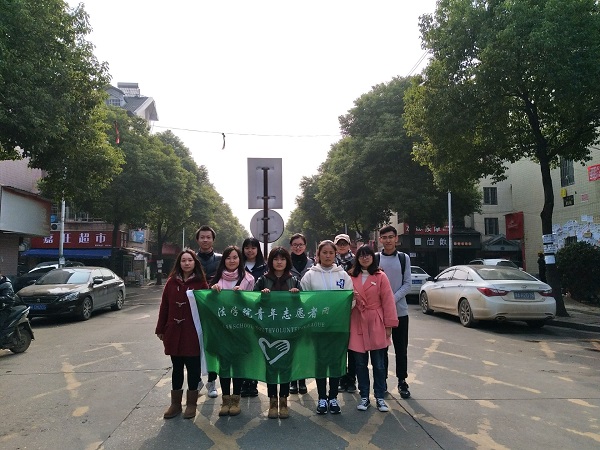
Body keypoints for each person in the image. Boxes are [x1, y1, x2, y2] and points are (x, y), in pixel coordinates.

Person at [300, 240, 353, 415]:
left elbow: (350, 300)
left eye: (331, 253)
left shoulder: (343, 275)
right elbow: (303, 300)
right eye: (324, 252)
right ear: (318, 255)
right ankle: (322, 397)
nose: (328, 256)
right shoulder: (309, 276)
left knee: (336, 361)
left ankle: (333, 397)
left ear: (335, 254)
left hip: (337, 326)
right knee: (320, 361)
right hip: (317, 327)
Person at [155, 249, 209, 420]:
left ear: (195, 263)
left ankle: (191, 403)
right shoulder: (171, 282)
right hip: (174, 331)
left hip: (192, 332)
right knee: (177, 367)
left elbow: (207, 308)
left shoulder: (201, 283)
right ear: (179, 263)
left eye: (190, 260)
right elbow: (164, 306)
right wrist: (161, 328)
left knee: (193, 368)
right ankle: (175, 404)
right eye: (183, 260)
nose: (186, 263)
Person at [349, 245, 398, 412]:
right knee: (360, 363)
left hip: (376, 321)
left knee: (379, 364)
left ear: (373, 257)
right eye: (361, 255)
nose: (365, 258)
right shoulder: (351, 276)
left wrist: (389, 325)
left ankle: (380, 397)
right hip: (357, 320)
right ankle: (364, 396)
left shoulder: (380, 276)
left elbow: (388, 301)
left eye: (368, 255)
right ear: (357, 258)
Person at [253, 246, 301, 419]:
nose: (279, 262)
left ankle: (284, 400)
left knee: (286, 365)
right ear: (270, 261)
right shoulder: (262, 280)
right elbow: (252, 303)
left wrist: (297, 296)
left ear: (287, 261)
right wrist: (262, 296)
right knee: (271, 365)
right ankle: (273, 401)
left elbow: (302, 307)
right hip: (268, 331)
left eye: (282, 259)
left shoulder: (294, 280)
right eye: (275, 259)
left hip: (289, 330)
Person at [210, 245, 255, 416]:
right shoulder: (216, 279)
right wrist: (212, 292)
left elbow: (254, 304)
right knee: (224, 365)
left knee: (237, 365)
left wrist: (243, 296)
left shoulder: (249, 279)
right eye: (228, 258)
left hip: (240, 330)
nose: (231, 260)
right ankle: (225, 400)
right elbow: (209, 304)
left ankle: (236, 400)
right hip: (221, 330)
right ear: (224, 260)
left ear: (240, 259)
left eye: (235, 257)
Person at [377, 225, 412, 399]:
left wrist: (391, 299)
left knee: (401, 349)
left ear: (396, 238)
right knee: (381, 349)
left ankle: (402, 381)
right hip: (380, 313)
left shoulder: (404, 258)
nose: (388, 240)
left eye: (391, 237)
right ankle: (382, 382)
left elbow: (407, 284)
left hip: (400, 312)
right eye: (384, 237)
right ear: (380, 240)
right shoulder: (375, 259)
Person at [240, 237, 267, 398]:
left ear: (258, 250)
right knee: (244, 348)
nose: (250, 251)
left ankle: (253, 382)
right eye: (247, 248)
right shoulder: (238, 266)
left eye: (253, 248)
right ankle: (244, 382)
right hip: (241, 313)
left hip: (259, 313)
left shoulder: (264, 268)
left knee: (256, 348)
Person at [288, 232, 314, 395]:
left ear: (305, 246)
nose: (298, 247)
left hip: (306, 310)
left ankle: (302, 379)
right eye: (295, 245)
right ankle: (293, 380)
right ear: (291, 246)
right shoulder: (285, 262)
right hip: (289, 311)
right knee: (291, 346)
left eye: (301, 245)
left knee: (303, 346)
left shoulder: (312, 263)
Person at [334, 233, 357, 393]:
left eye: (344, 243)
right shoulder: (330, 261)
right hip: (335, 311)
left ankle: (351, 379)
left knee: (353, 348)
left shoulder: (357, 261)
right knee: (339, 348)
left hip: (353, 309)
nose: (342, 246)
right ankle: (341, 378)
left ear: (349, 245)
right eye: (339, 243)